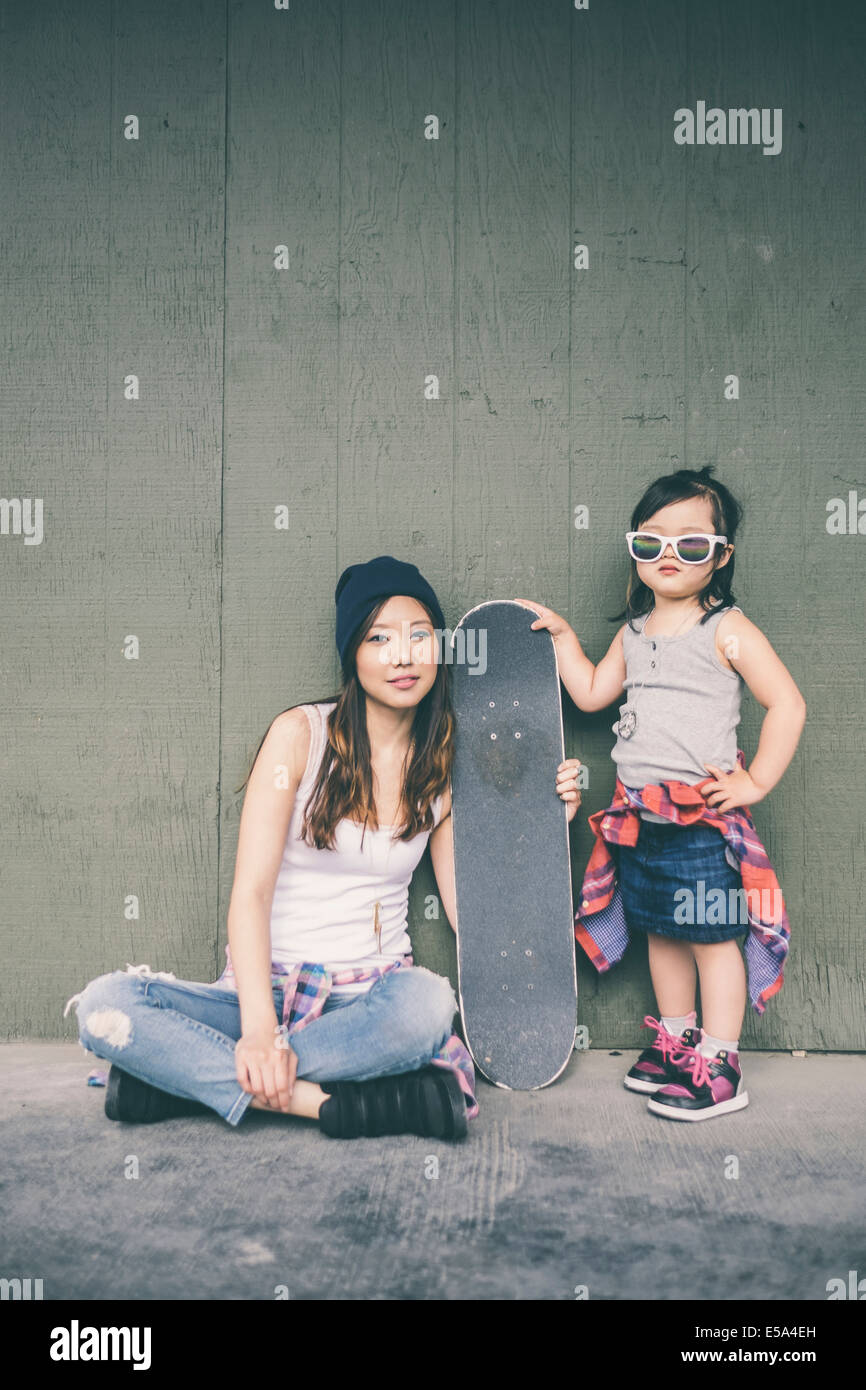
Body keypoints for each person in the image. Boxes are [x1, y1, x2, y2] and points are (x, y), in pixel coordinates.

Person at [65, 555, 584, 1140]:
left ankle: (181, 1081)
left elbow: (474, 916)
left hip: (366, 1004)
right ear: (353, 654)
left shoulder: (445, 765)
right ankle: (330, 1104)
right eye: (379, 638)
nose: (403, 656)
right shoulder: (300, 737)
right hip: (256, 995)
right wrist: (260, 1031)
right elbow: (251, 895)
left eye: (420, 636)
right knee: (106, 1007)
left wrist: (537, 825)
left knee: (430, 1009)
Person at [517, 466, 806, 1121]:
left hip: (700, 821)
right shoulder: (633, 632)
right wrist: (564, 640)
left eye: (691, 544)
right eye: (651, 543)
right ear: (635, 552)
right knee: (662, 932)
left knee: (711, 938)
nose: (669, 556)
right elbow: (591, 692)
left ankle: (722, 1063)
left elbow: (787, 702)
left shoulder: (727, 629)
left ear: (721, 555)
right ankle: (677, 1044)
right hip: (639, 818)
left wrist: (755, 779)